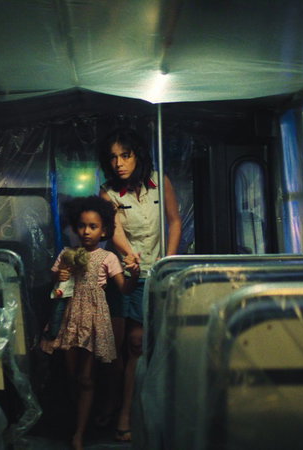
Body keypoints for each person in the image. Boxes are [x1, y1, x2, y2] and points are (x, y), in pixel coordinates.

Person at [98, 127, 181, 442]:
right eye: (113, 158)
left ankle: (127, 411)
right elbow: (114, 229)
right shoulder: (108, 192)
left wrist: (168, 262)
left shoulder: (160, 181)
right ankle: (113, 402)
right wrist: (129, 254)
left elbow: (174, 221)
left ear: (138, 155)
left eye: (125, 155)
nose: (119, 163)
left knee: (138, 343)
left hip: (156, 273)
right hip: (125, 274)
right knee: (116, 347)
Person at [40, 195, 141, 450]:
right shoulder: (67, 254)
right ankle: (78, 422)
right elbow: (54, 282)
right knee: (72, 376)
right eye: (82, 225)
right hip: (69, 318)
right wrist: (60, 274)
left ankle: (79, 434)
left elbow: (125, 289)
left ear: (104, 231)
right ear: (76, 227)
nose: (86, 231)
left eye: (93, 226)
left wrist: (135, 273)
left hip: (94, 320)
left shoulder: (108, 257)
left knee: (86, 378)